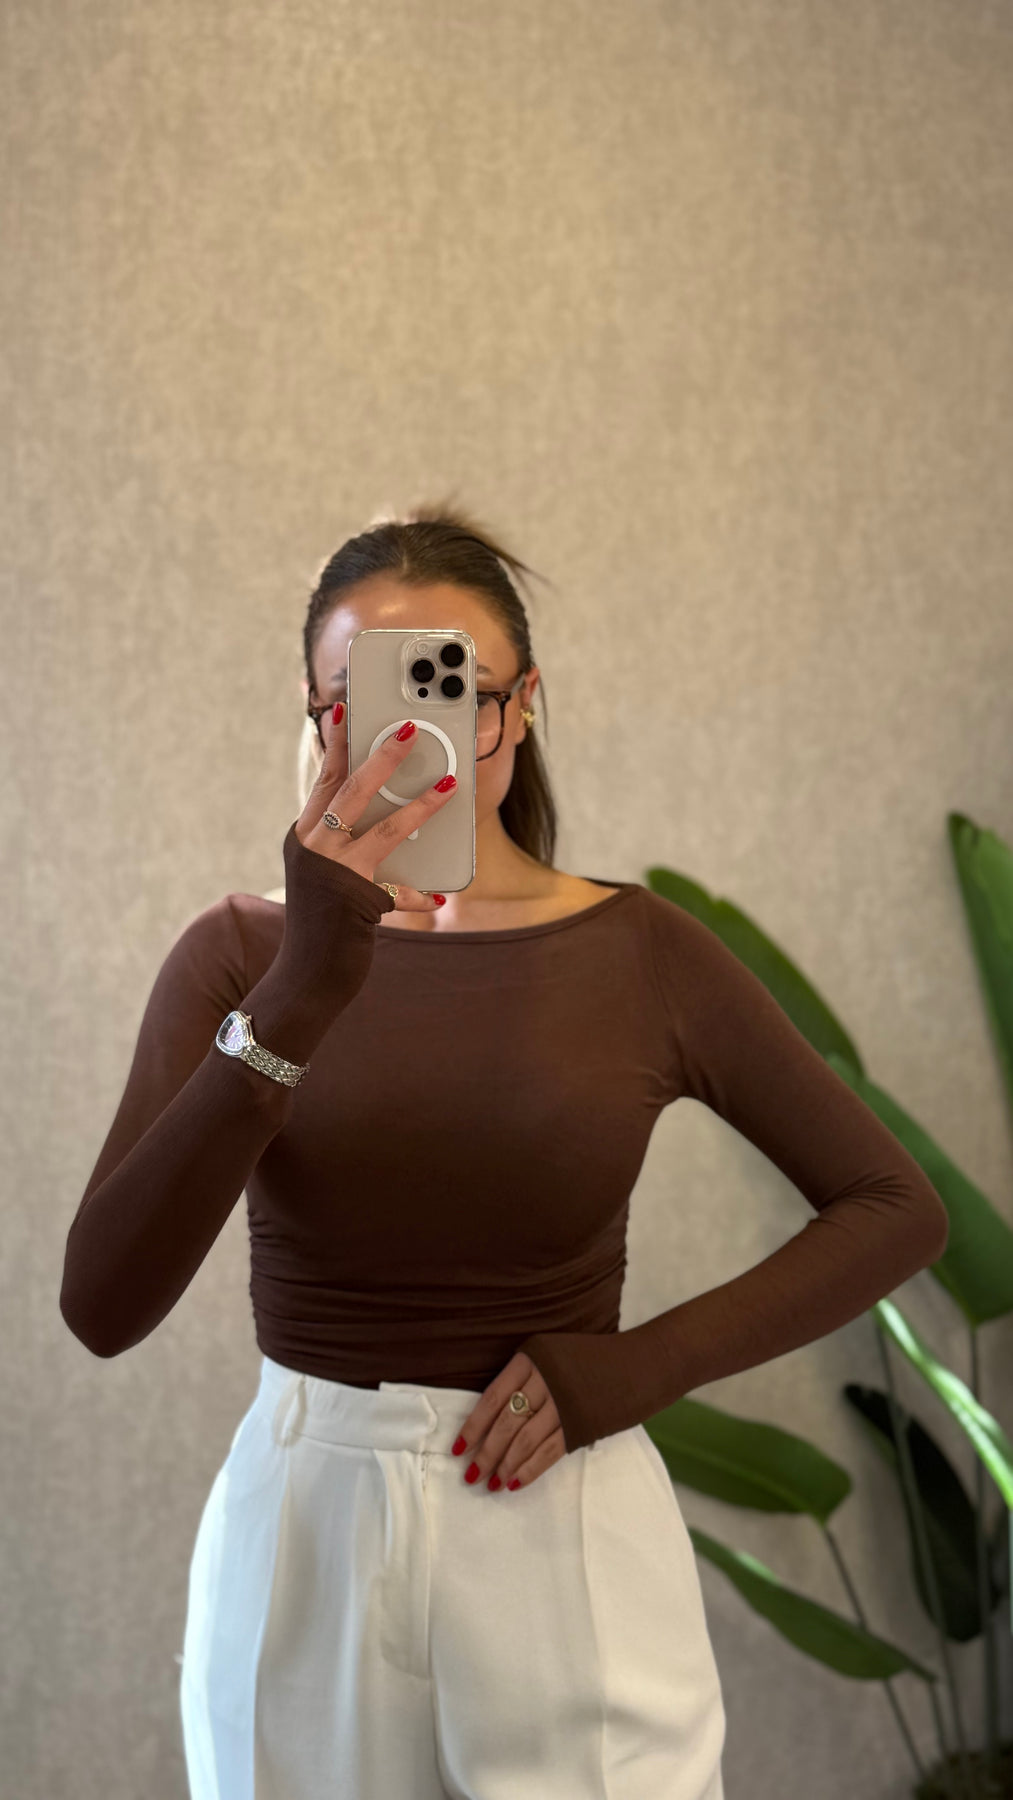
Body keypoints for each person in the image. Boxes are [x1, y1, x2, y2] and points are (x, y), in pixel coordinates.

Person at [59, 501, 949, 1800]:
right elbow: (102, 1305)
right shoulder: (243, 957)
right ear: (318, 719)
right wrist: (307, 983)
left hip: (564, 1517)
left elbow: (891, 1205)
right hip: (306, 1523)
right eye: (363, 702)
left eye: (454, 693)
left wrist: (636, 1369)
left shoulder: (642, 953)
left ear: (521, 707)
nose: (412, 739)